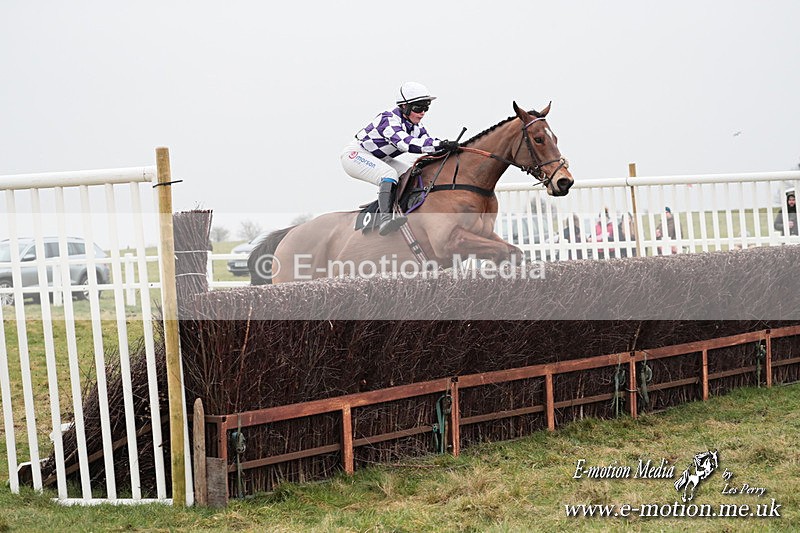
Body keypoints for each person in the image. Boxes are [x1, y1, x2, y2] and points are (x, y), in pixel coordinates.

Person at [341, 82, 459, 236]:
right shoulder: (388, 120)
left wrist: (450, 148)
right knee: (389, 175)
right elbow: (407, 144)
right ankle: (385, 219)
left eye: (426, 107)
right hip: (357, 155)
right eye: (418, 108)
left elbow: (428, 143)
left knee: (413, 173)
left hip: (383, 158)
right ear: (404, 107)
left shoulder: (416, 126)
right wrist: (440, 144)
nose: (423, 112)